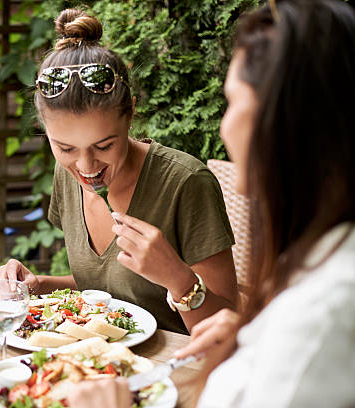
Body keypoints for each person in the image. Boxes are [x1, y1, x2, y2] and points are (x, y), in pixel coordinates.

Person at [67, 0, 355, 406]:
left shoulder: (320, 317)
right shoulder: (318, 265)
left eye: (233, 100)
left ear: (288, 120)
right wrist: (249, 338)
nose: (224, 124)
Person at [0, 9, 239, 334]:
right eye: (66, 148)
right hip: (99, 368)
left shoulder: (186, 182)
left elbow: (231, 331)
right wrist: (38, 285)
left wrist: (177, 278)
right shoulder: (65, 175)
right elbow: (109, 290)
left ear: (131, 114)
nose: (86, 167)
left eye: (104, 145)